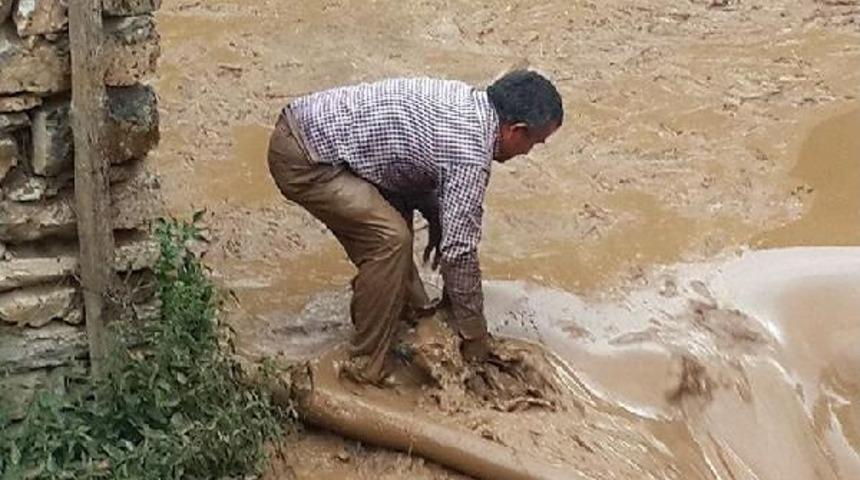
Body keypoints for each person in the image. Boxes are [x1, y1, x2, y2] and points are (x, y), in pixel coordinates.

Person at [267, 70, 563, 384]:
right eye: (535, 142)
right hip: (307, 158)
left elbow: (417, 157)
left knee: (414, 295)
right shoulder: (470, 150)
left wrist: (437, 216)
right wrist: (476, 336)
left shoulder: (469, 105)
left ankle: (399, 322)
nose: (529, 152)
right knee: (390, 241)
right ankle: (364, 368)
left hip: (326, 139)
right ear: (516, 131)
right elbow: (459, 253)